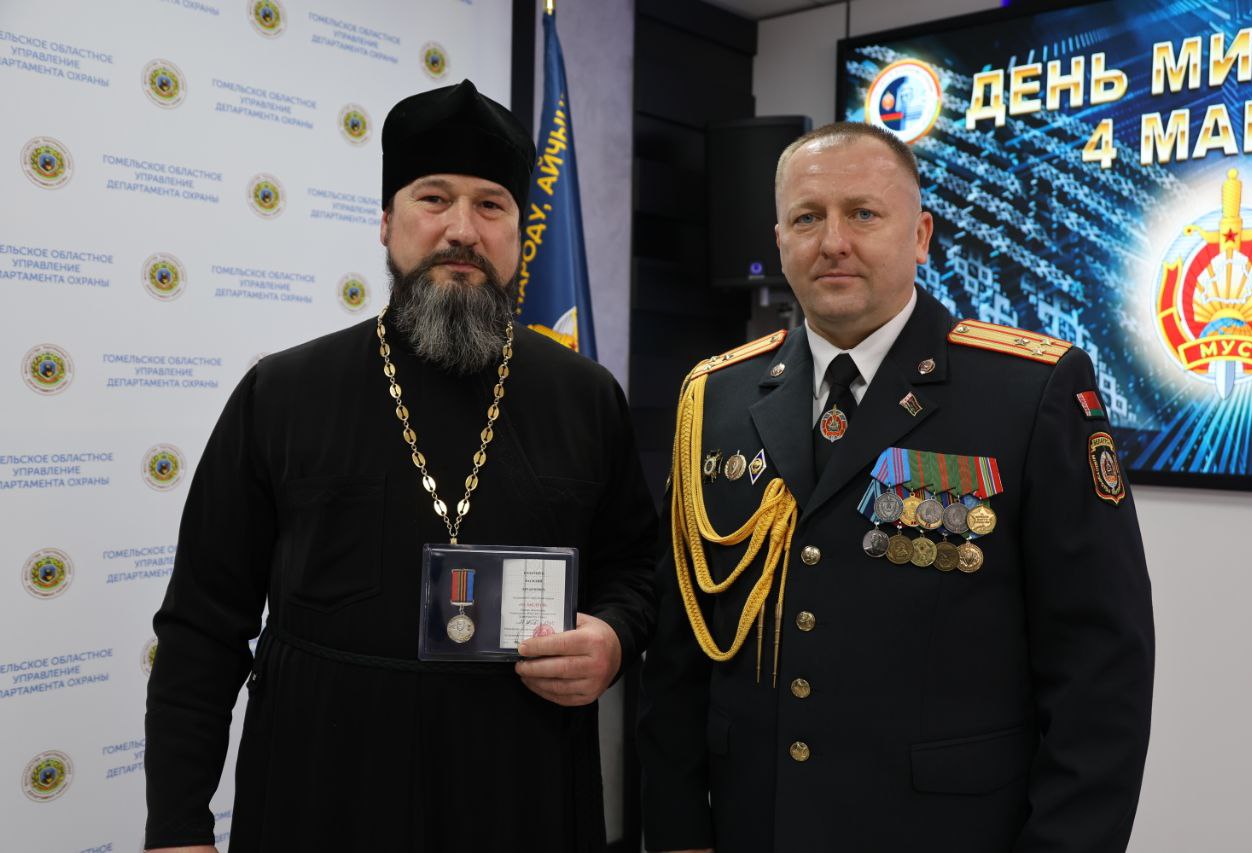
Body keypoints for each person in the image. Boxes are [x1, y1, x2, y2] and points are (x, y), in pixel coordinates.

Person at [144, 80, 657, 852]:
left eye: (491, 205)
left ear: (520, 234)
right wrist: (177, 826)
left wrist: (613, 637)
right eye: (434, 199)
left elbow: (637, 569)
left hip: (522, 791)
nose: (462, 229)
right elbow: (202, 625)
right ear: (387, 223)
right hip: (322, 795)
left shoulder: (585, 397)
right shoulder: (282, 392)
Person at [637, 122, 1154, 853]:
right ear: (779, 240)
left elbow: (1100, 670)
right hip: (756, 825)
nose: (833, 241)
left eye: (863, 213)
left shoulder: (1029, 391)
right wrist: (680, 834)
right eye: (807, 218)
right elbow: (679, 654)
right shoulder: (714, 397)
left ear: (920, 236)